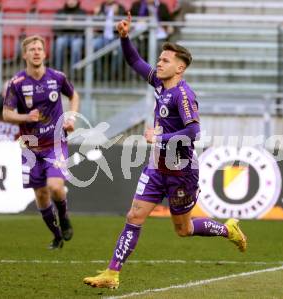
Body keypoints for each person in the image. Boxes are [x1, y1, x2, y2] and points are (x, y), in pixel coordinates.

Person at [83, 13, 247, 289]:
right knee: (134, 216)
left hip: (182, 172)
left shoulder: (184, 95)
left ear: (179, 68)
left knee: (184, 229)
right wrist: (124, 38)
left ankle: (227, 229)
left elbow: (194, 132)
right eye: (159, 60)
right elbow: (135, 61)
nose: (158, 63)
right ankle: (112, 274)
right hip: (156, 167)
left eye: (165, 60)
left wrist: (160, 138)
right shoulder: (160, 84)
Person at [3, 35, 80, 250]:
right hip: (30, 148)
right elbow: (7, 113)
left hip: (55, 143)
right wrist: (25, 118)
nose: (36, 52)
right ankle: (57, 236)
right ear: (24, 55)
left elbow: (74, 96)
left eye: (39, 48)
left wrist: (71, 117)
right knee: (41, 195)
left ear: (45, 53)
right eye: (32, 49)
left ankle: (64, 218)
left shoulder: (57, 77)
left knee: (55, 187)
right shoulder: (16, 83)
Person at [53, 0, 87, 73]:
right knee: (59, 43)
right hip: (63, 36)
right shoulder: (60, 12)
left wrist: (72, 25)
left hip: (77, 37)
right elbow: (55, 27)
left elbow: (84, 28)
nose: (71, 1)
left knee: (76, 45)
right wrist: (66, 25)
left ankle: (74, 72)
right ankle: (58, 71)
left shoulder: (82, 12)